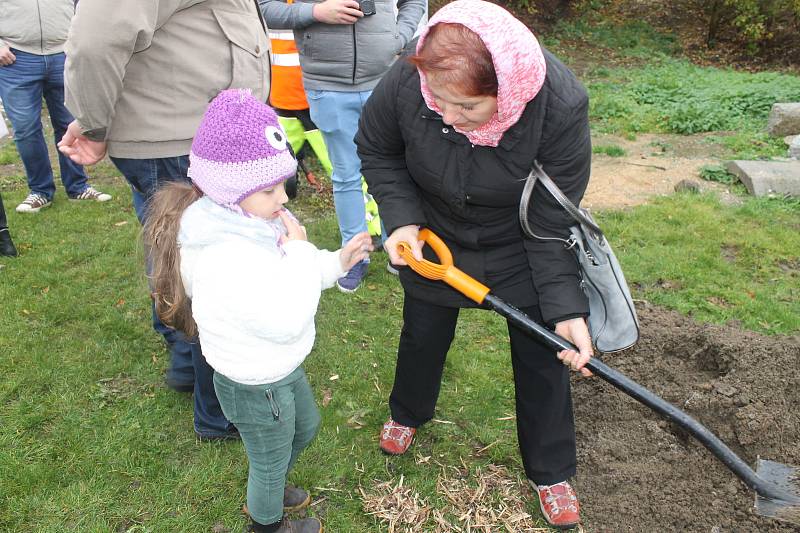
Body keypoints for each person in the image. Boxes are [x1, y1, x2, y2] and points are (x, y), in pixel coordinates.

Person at [355, 1, 593, 529]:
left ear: (505, 92)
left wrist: (564, 306)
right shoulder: (406, 80)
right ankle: (408, 412)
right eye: (437, 101)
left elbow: (552, 220)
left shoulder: (557, 103)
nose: (447, 117)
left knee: (542, 352)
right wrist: (402, 221)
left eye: (466, 107)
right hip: (435, 235)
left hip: (520, 238)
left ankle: (551, 469)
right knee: (423, 333)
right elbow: (378, 149)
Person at [144, 89, 372, 533]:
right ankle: (266, 521)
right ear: (230, 193)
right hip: (255, 378)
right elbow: (284, 320)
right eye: (269, 190)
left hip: (276, 367)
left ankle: (269, 479)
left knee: (304, 428)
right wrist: (306, 256)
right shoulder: (227, 253)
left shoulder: (250, 222)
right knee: (270, 455)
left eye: (281, 184)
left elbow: (291, 271)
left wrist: (335, 263)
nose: (283, 198)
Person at [57, 0, 271, 440]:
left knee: (177, 257)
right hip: (180, 142)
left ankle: (185, 354)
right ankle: (218, 412)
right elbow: (97, 39)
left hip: (195, 136)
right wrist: (93, 126)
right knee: (216, 279)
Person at [259, 0, 425, 292]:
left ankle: (398, 241)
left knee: (395, 167)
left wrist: (397, 37)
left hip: (385, 81)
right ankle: (355, 255)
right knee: (346, 173)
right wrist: (315, 12)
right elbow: (264, 8)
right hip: (327, 85)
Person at [0, 0, 111, 214]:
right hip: (16, 58)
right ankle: (40, 191)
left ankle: (78, 186)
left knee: (70, 123)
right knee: (26, 129)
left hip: (64, 53)